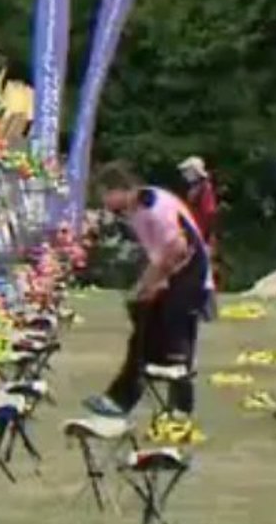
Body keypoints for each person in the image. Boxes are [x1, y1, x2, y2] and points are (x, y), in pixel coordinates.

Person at [83, 162, 213, 426]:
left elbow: (177, 247)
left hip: (189, 278)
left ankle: (181, 409)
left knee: (178, 344)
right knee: (142, 334)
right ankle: (121, 399)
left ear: (119, 189)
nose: (105, 203)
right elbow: (156, 254)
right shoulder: (135, 211)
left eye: (105, 196)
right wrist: (144, 285)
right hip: (172, 276)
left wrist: (155, 281)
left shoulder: (153, 204)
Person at [179, 155, 221, 284]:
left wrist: (208, 234)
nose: (184, 174)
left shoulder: (204, 187)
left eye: (187, 170)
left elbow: (210, 212)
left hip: (200, 232)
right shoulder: (195, 188)